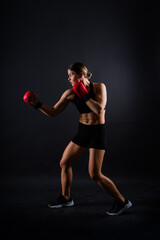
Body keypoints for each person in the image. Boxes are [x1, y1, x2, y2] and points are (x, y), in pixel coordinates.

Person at [23, 62, 132, 216]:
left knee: (95, 174)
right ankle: (66, 198)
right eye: (68, 75)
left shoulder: (99, 87)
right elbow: (54, 111)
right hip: (83, 131)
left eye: (71, 75)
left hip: (97, 132)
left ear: (80, 75)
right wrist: (37, 105)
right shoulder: (70, 93)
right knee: (64, 163)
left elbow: (99, 109)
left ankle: (122, 201)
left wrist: (84, 94)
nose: (68, 78)